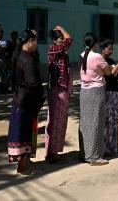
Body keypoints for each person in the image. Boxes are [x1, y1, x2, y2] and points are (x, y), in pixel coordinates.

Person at [79, 33, 118, 165]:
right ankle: (94, 156)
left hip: (84, 91)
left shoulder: (82, 55)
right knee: (96, 124)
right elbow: (109, 73)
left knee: (85, 123)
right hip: (96, 91)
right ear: (95, 44)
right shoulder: (97, 57)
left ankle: (85, 153)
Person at [7, 30, 45, 174]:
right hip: (26, 101)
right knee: (24, 134)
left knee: (22, 133)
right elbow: (33, 83)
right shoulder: (27, 60)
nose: (36, 44)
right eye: (35, 41)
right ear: (29, 41)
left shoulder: (19, 55)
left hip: (19, 100)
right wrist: (41, 96)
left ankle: (24, 162)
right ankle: (22, 166)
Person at [45, 26, 73, 164]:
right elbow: (69, 40)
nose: (63, 41)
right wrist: (62, 28)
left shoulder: (58, 51)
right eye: (60, 39)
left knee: (58, 121)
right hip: (57, 88)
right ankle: (52, 152)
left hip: (60, 88)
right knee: (56, 121)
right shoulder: (54, 49)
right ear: (55, 40)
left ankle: (52, 150)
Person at [101, 39, 118, 156]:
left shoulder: (111, 60)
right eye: (109, 48)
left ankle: (112, 146)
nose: (111, 51)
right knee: (106, 119)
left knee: (113, 119)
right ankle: (105, 147)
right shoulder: (101, 60)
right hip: (106, 91)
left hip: (114, 91)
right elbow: (109, 76)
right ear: (103, 48)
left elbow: (116, 77)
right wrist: (117, 67)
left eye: (112, 49)